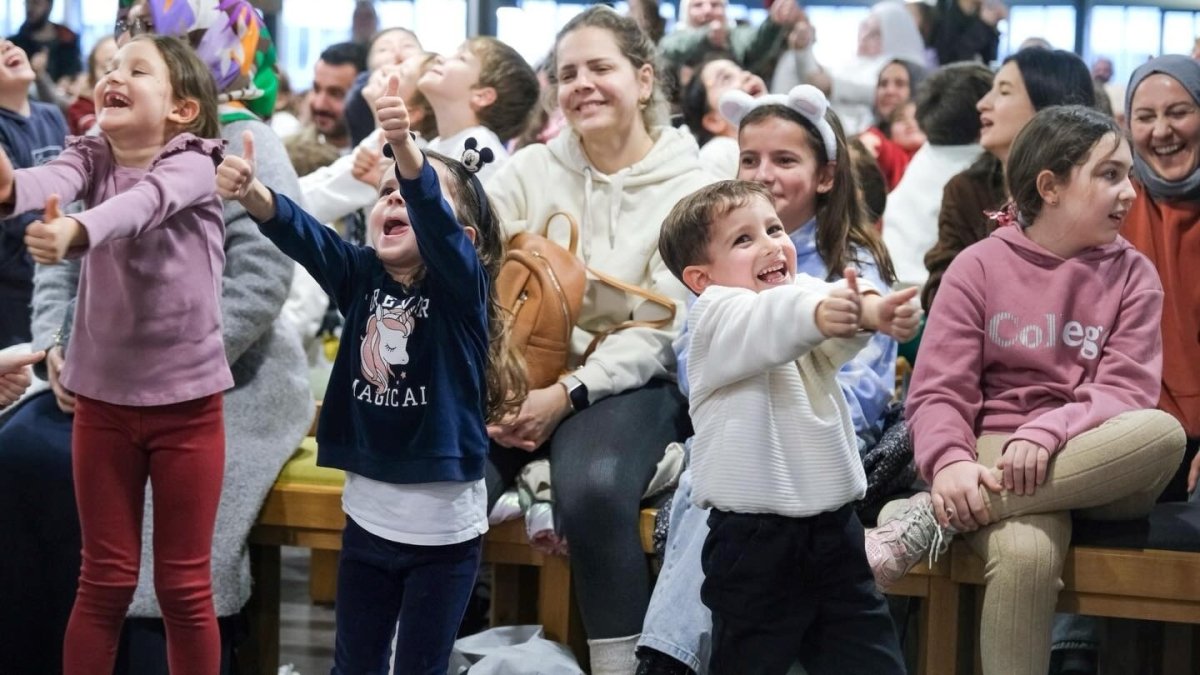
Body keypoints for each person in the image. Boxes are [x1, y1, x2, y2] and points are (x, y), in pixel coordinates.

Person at [0, 2, 311, 671]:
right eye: (114, 60)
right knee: (100, 577)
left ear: (182, 108)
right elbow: (54, 180)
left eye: (137, 67)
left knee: (183, 586)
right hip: (104, 397)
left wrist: (75, 233)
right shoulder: (91, 149)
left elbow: (144, 206)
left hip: (194, 397)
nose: (117, 70)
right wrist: (11, 189)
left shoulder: (203, 156)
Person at [217, 72, 525, 673]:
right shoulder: (361, 275)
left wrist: (404, 147)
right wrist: (255, 194)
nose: (394, 198)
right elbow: (306, 236)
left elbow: (432, 212)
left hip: (443, 540)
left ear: (461, 238)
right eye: (384, 192)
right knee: (352, 666)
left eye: (408, 192)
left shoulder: (460, 291)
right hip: (365, 521)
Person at [866, 105, 1187, 675]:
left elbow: (1127, 390)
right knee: (1027, 553)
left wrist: (1047, 431)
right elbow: (939, 391)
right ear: (1050, 186)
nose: (1129, 192)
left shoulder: (1134, 274)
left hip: (1099, 460)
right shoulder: (978, 266)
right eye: (1109, 174)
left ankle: (931, 516)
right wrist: (949, 461)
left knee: (1162, 433)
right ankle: (953, 501)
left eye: (1129, 175)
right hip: (995, 452)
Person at [637, 84, 903, 675]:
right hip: (754, 533)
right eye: (744, 238)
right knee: (750, 658)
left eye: (774, 230)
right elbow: (778, 319)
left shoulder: (816, 280)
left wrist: (870, 313)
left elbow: (828, 324)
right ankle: (667, 659)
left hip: (830, 522)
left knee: (870, 658)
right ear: (701, 278)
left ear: (826, 174)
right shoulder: (717, 310)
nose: (771, 242)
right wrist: (825, 314)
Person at [484, 7, 715, 672]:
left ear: (643, 81)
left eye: (599, 68)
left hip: (626, 384)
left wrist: (566, 394)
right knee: (443, 474)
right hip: (514, 377)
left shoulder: (692, 185)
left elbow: (664, 327)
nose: (581, 84)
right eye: (567, 74)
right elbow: (468, 257)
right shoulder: (528, 169)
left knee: (593, 489)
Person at [922, 48, 1095, 311]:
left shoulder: (1092, 192)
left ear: (1047, 109)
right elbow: (941, 293)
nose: (982, 103)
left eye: (1003, 92)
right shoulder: (967, 190)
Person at [1123, 56, 1200, 502]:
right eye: (1145, 117)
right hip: (1135, 428)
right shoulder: (1110, 205)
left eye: (1178, 112)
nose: (1161, 131)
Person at [882, 62, 992, 290]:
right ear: (985, 114)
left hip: (892, 284)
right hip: (929, 294)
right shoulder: (979, 172)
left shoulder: (928, 152)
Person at [0, 37, 67, 350]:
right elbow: (12, 207)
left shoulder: (51, 114)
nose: (7, 48)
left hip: (62, 262)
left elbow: (78, 177)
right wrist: (66, 229)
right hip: (15, 279)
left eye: (7, 44)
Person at [772, 1, 926, 136]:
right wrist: (802, 31)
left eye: (874, 34)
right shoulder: (851, 65)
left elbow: (819, 81)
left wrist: (803, 43)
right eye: (863, 28)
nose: (863, 38)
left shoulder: (891, 71)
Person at [417, 37, 539, 182]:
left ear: (482, 96)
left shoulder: (481, 149)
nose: (438, 58)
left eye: (461, 58)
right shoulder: (435, 145)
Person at [658, 0, 801, 84]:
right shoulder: (675, 38)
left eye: (715, 5)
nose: (707, 10)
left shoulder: (736, 34)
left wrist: (774, 23)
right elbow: (669, 48)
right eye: (698, 5)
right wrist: (706, 35)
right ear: (686, 12)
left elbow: (756, 43)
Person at [680, 55, 767, 179]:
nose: (746, 75)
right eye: (726, 78)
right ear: (714, 121)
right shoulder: (718, 154)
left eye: (741, 70)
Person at [301, 41, 367, 151]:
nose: (320, 105)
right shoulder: (287, 153)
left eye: (336, 94)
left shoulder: (386, 154)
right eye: (316, 89)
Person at [8, 0, 81, 85]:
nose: (30, 8)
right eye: (27, 2)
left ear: (49, 6)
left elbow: (74, 74)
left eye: (36, 3)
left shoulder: (67, 40)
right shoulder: (14, 44)